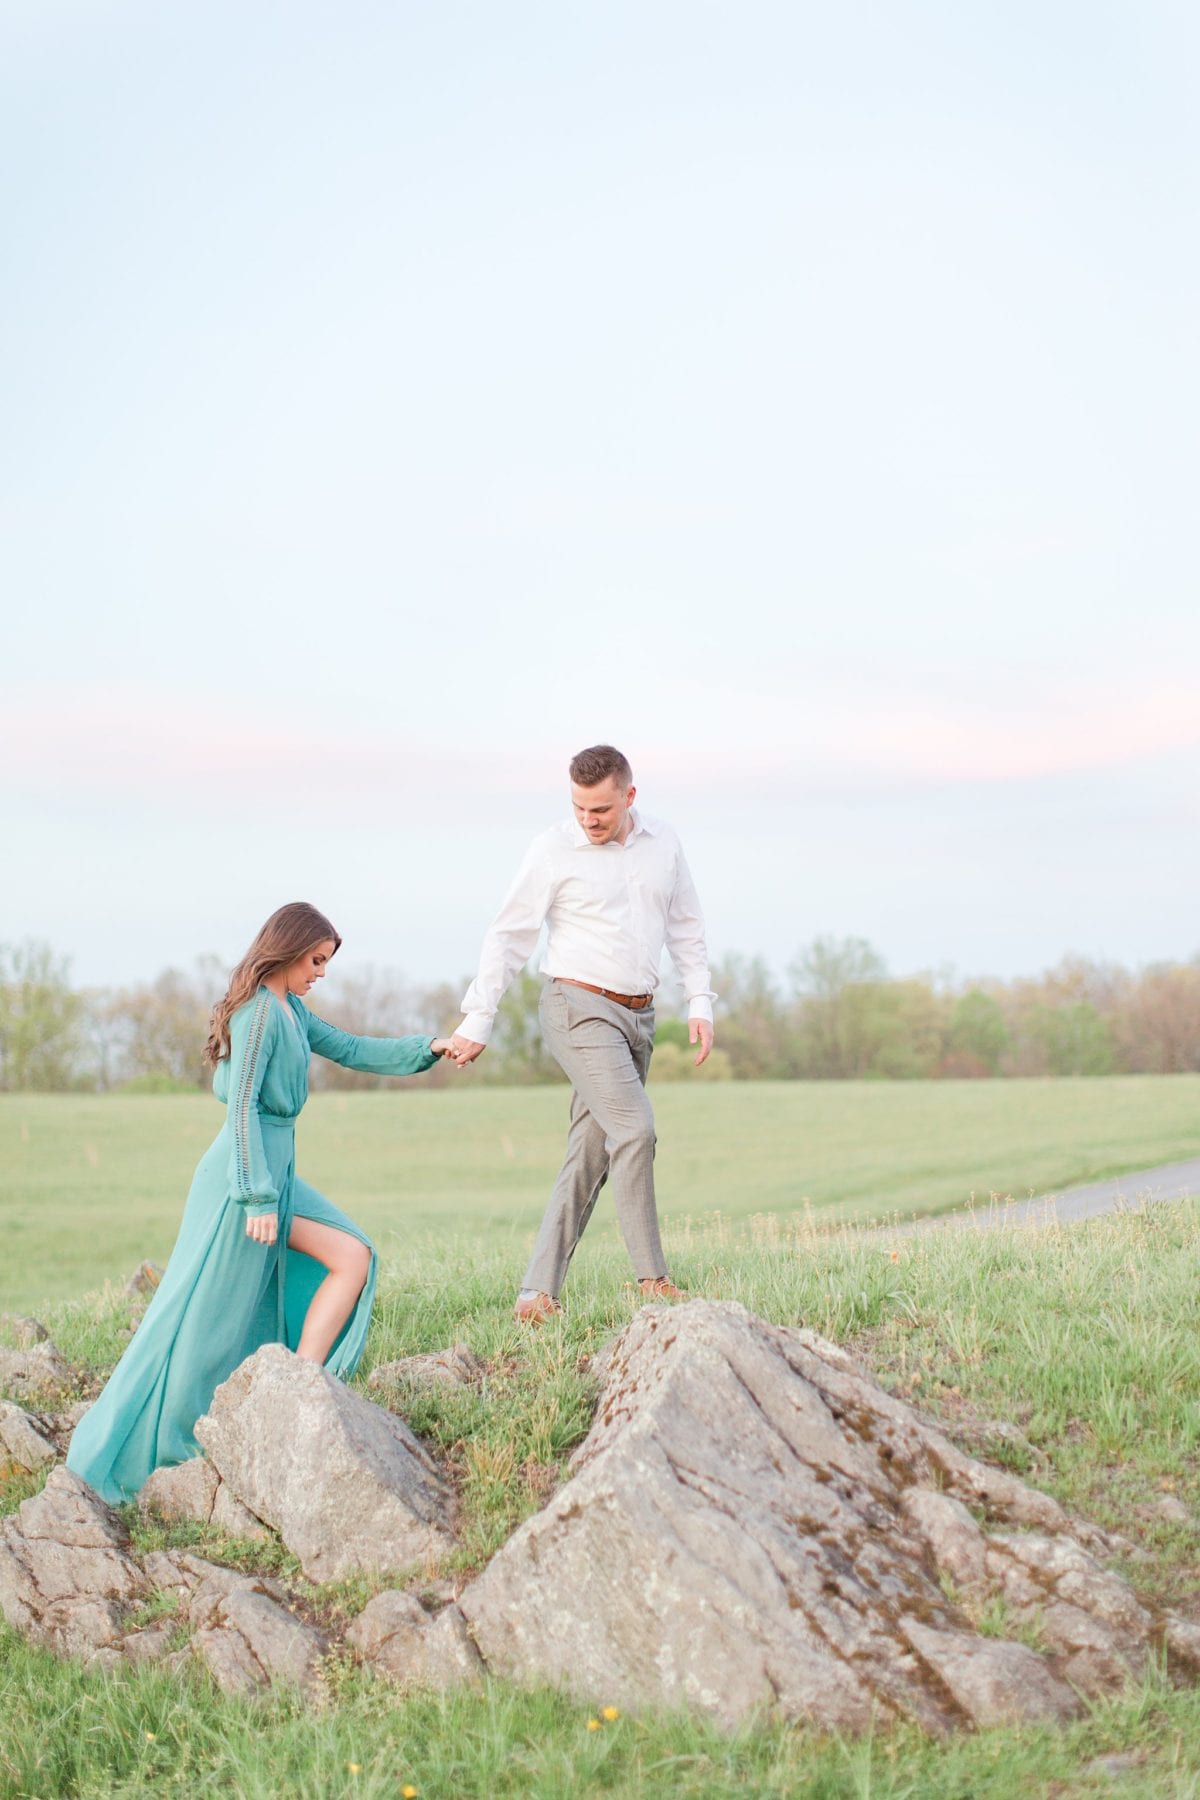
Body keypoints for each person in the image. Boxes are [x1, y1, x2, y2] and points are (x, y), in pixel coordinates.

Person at [68, 902, 453, 1505]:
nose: (321, 972)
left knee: (352, 1255)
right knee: (199, 1325)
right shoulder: (257, 1016)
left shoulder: (291, 1011)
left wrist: (429, 1047)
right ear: (291, 948)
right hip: (241, 1181)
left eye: (326, 962)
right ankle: (139, 1451)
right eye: (317, 960)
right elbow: (241, 1106)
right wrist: (255, 1196)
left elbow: (353, 1048)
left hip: (275, 1170)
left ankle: (300, 1386)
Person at [450, 745, 716, 1322]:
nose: (589, 820)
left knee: (591, 1151)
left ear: (629, 796)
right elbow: (509, 935)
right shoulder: (551, 850)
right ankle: (653, 1280)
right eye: (579, 808)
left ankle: (537, 1293)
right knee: (635, 1130)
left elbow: (686, 924)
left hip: (639, 1014)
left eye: (600, 809)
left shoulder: (664, 843)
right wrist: (479, 1018)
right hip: (577, 1007)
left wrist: (700, 1000)